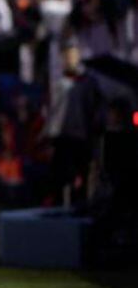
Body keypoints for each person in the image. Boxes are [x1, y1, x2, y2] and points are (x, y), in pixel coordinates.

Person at [44, 37, 104, 207]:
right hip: (61, 137)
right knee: (60, 178)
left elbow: (94, 110)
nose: (68, 59)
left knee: (81, 180)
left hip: (81, 138)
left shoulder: (88, 82)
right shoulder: (58, 82)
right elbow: (52, 111)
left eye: (71, 55)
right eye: (65, 56)